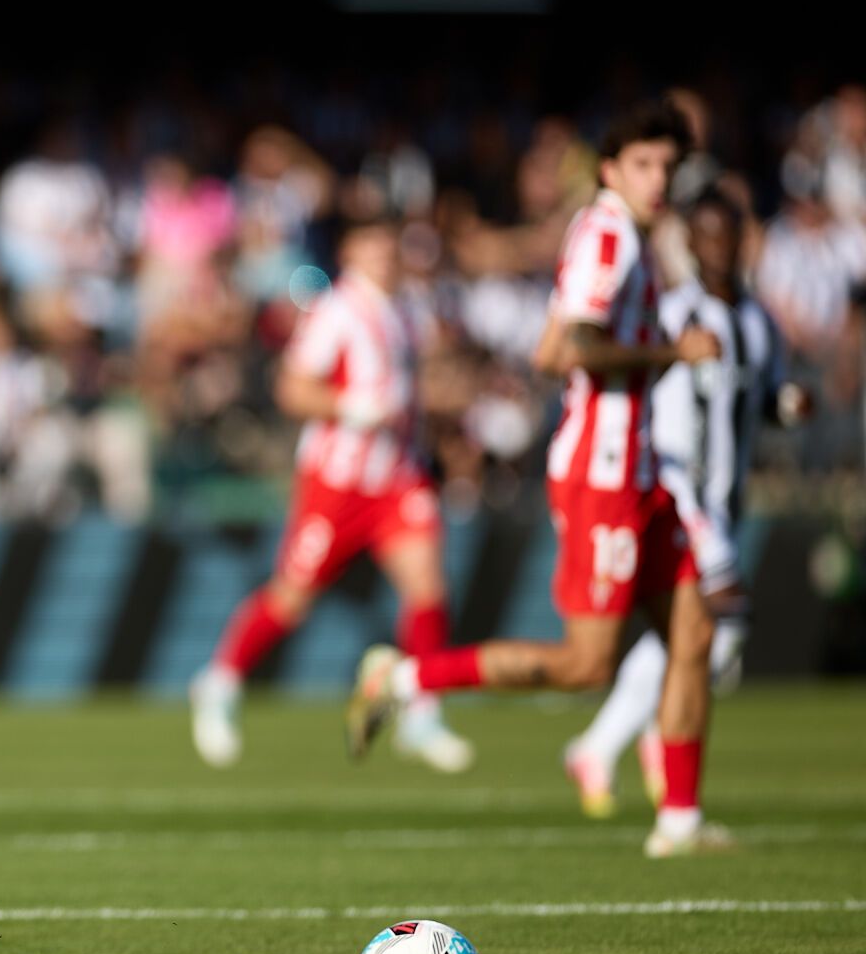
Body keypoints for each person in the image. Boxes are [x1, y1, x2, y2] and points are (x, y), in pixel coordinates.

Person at [346, 100, 730, 858]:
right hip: (603, 471)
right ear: (613, 170)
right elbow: (561, 349)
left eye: (668, 166)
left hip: (641, 468)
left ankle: (680, 820)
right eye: (645, 164)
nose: (659, 179)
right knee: (586, 663)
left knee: (694, 630)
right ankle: (407, 676)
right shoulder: (609, 235)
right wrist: (669, 354)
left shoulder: (633, 235)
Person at [191, 219, 472, 773]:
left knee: (428, 589)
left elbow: (411, 392)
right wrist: (350, 408)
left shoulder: (409, 311)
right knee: (292, 596)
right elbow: (293, 388)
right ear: (350, 253)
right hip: (338, 483)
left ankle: (421, 712)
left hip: (397, 475)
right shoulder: (336, 311)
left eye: (392, 248)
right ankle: (221, 682)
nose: (386, 259)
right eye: (374, 248)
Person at [564, 188, 808, 815]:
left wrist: (790, 405)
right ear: (692, 243)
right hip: (681, 493)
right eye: (707, 234)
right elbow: (656, 411)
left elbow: (762, 397)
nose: (720, 246)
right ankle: (633, 740)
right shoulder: (675, 316)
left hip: (728, 499)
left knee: (693, 634)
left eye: (729, 234)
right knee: (718, 626)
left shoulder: (760, 321)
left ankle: (608, 744)